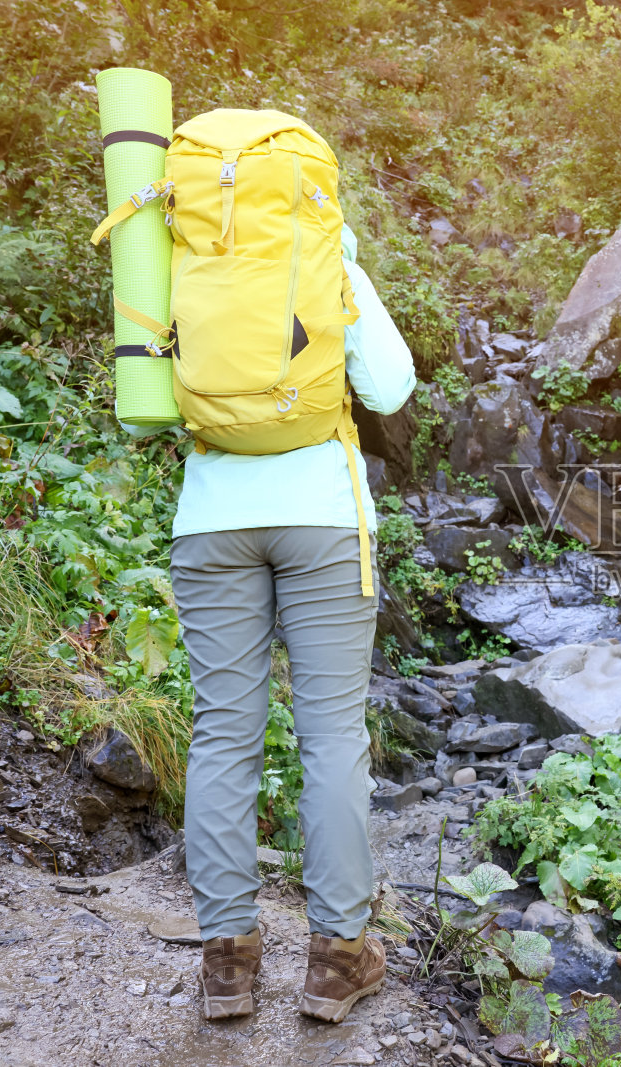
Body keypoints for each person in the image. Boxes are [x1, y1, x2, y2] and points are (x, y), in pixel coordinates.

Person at [130, 223, 414, 1022]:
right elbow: (391, 384)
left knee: (224, 730)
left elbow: (142, 416)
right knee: (330, 734)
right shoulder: (325, 250)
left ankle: (227, 963)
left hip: (213, 520)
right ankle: (337, 961)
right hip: (323, 516)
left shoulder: (176, 258)